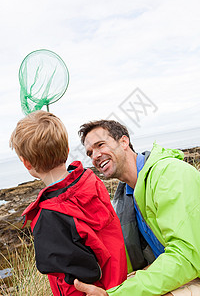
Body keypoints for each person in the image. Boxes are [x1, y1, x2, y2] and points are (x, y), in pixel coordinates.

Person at [75, 119, 200, 296]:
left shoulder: (170, 174)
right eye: (89, 153)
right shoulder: (124, 199)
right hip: (184, 273)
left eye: (100, 145)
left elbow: (187, 256)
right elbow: (121, 259)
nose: (95, 156)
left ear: (124, 142)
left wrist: (117, 294)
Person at [9, 112, 127, 296]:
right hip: (120, 286)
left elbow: (73, 282)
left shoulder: (47, 216)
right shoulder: (91, 180)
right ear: (65, 150)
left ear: (26, 164)